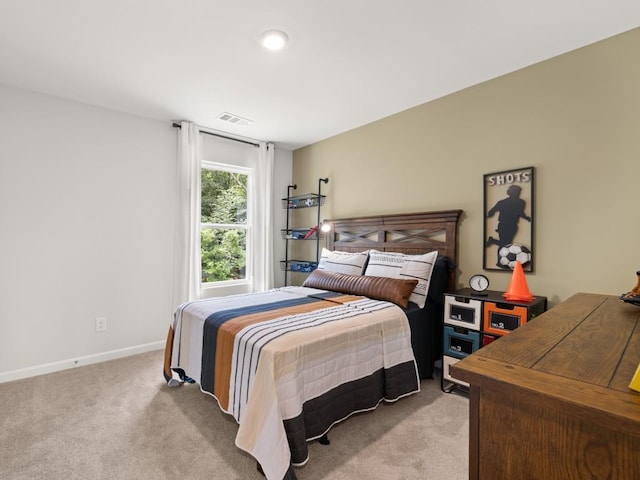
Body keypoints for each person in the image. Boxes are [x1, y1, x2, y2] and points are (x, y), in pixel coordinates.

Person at [486, 185, 531, 266]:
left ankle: (493, 241)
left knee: (506, 243)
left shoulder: (519, 202)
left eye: (518, 192)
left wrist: (527, 218)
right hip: (504, 224)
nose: (518, 193)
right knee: (505, 244)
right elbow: (491, 212)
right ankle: (500, 262)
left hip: (512, 225)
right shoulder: (503, 202)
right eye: (516, 192)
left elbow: (520, 212)